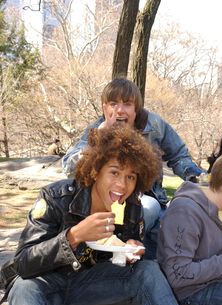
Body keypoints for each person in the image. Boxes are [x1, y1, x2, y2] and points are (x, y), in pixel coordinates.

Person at [4, 125, 204, 305]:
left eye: (131, 176)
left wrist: (130, 249)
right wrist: (73, 236)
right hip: (50, 283)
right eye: (115, 172)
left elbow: (118, 254)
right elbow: (24, 262)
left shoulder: (131, 206)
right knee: (23, 290)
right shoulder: (56, 198)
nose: (122, 184)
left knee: (148, 270)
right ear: (96, 170)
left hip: (90, 283)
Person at [62, 77, 205, 259]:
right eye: (113, 104)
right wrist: (98, 139)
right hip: (103, 202)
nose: (120, 110)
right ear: (104, 108)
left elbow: (179, 155)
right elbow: (68, 168)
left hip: (146, 197)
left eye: (127, 104)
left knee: (159, 214)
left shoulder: (154, 125)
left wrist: (198, 178)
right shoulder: (95, 130)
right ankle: (111, 252)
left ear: (136, 108)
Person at [158, 148, 222, 305]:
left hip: (219, 281)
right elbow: (177, 276)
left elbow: (221, 246)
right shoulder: (185, 211)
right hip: (191, 298)